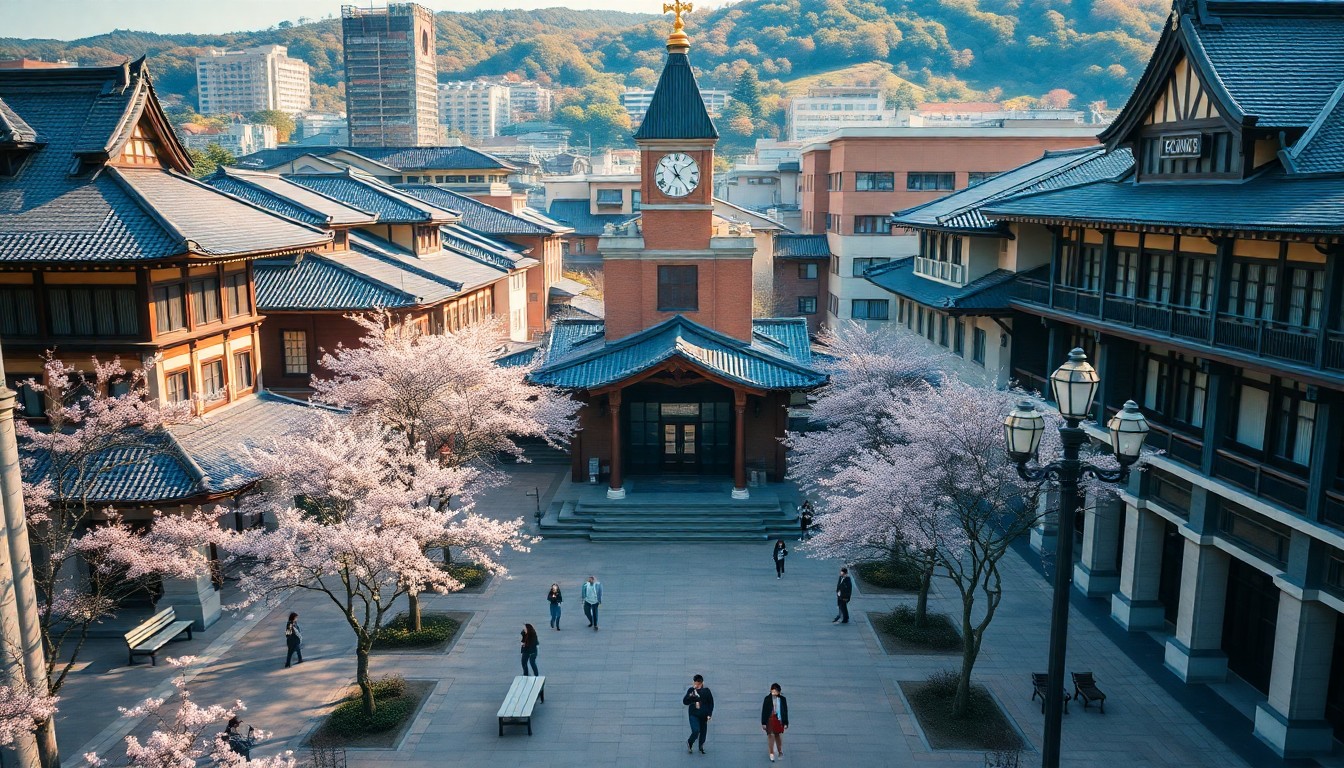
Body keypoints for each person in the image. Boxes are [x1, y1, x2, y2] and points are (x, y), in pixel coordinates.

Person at [682, 674, 714, 754]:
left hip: (703, 715)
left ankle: (701, 746)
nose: (695, 685)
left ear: (701, 683)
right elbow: (685, 702)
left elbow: (711, 703)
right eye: (695, 683)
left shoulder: (706, 691)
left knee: (703, 732)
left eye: (697, 684)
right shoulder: (691, 690)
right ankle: (690, 742)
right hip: (694, 714)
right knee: (696, 731)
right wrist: (690, 696)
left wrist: (709, 714)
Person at [761, 683, 789, 762]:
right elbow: (764, 711)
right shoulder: (767, 699)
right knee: (770, 735)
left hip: (778, 719)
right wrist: (763, 722)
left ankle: (780, 750)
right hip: (770, 719)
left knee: (777, 735)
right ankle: (771, 753)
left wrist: (786, 722)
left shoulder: (783, 699)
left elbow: (785, 711)